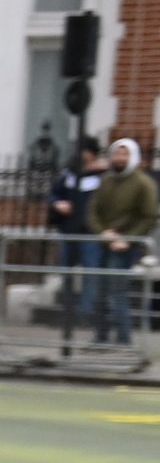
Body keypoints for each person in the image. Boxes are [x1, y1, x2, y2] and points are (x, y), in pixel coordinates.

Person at [85, 136, 155, 347]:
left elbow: (149, 216)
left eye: (125, 154)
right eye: (117, 153)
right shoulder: (106, 180)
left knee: (117, 291)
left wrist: (129, 238)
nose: (120, 158)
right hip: (105, 242)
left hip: (125, 245)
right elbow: (93, 210)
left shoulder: (143, 183)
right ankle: (101, 336)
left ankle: (123, 339)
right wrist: (103, 232)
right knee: (99, 292)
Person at [48, 137, 104, 334]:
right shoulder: (69, 173)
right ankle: (67, 311)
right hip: (69, 230)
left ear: (92, 153)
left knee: (90, 274)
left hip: (90, 232)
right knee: (67, 273)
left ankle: (85, 312)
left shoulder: (101, 176)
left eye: (85, 151)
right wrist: (58, 204)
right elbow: (54, 193)